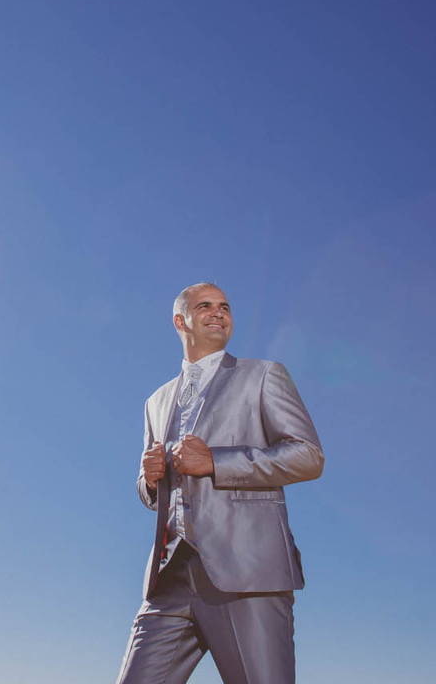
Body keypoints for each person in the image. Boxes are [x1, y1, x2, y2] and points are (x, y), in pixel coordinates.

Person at [116, 283, 323, 684]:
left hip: (247, 574)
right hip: (170, 579)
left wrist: (216, 461)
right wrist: (149, 480)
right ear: (180, 321)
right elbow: (151, 492)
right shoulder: (156, 401)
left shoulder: (263, 375)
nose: (218, 312)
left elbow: (308, 456)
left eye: (224, 306)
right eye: (205, 306)